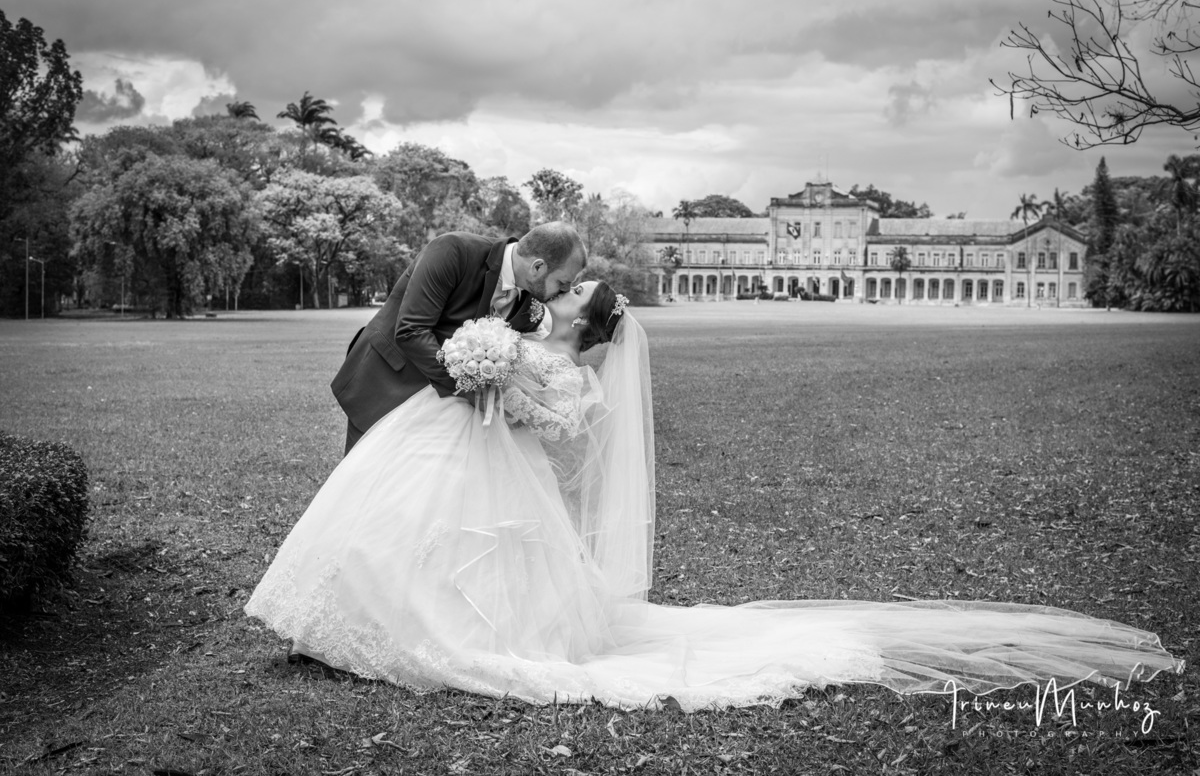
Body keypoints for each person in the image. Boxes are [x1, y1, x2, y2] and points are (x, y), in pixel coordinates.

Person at [247, 282, 1183, 710]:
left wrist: (496, 375)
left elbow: (557, 424)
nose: (564, 291)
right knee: (408, 533)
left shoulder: (571, 373)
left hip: (486, 457)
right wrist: (482, 364)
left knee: (455, 548)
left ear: (589, 321)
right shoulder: (531, 334)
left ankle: (424, 632)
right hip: (459, 450)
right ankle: (363, 620)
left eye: (577, 292)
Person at [331, 221, 587, 454]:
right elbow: (411, 331)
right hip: (387, 379)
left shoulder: (531, 300)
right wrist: (473, 391)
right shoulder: (453, 250)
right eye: (562, 283)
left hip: (435, 408)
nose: (561, 293)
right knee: (362, 483)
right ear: (538, 266)